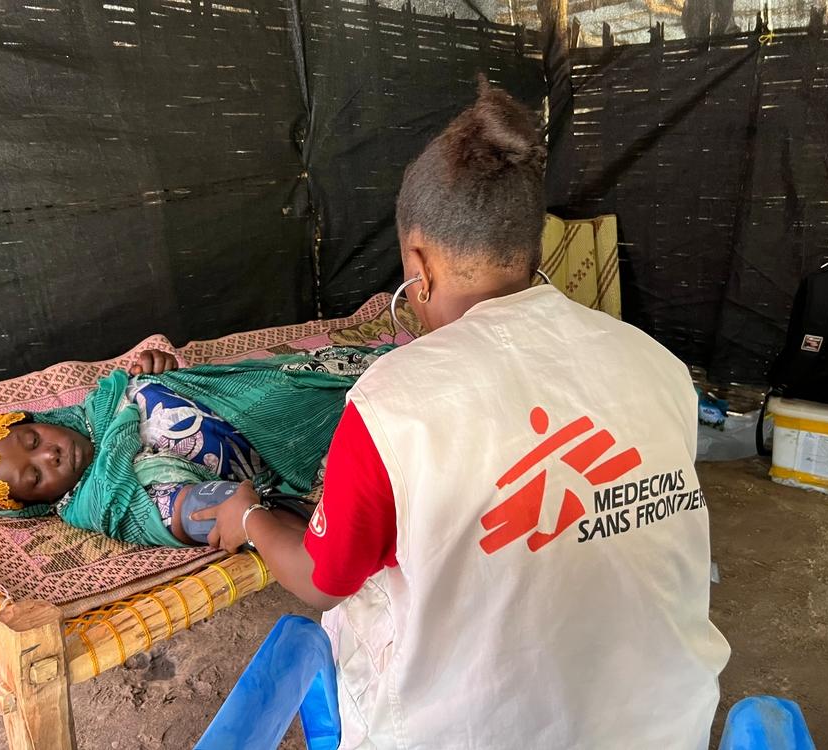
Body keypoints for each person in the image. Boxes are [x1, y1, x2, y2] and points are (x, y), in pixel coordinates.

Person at [194, 79, 731, 748]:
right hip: (671, 729)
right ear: (532, 251)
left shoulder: (393, 400)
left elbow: (323, 582)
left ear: (417, 267)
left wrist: (247, 516)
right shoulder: (656, 364)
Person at [0, 345, 385, 547]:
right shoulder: (104, 499)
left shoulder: (101, 404)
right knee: (375, 415)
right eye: (35, 476)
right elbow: (170, 512)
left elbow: (164, 387)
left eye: (33, 440)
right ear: (38, 502)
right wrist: (222, 506)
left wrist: (162, 371)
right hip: (276, 446)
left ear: (38, 421)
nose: (50, 455)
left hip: (262, 390)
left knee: (350, 373)